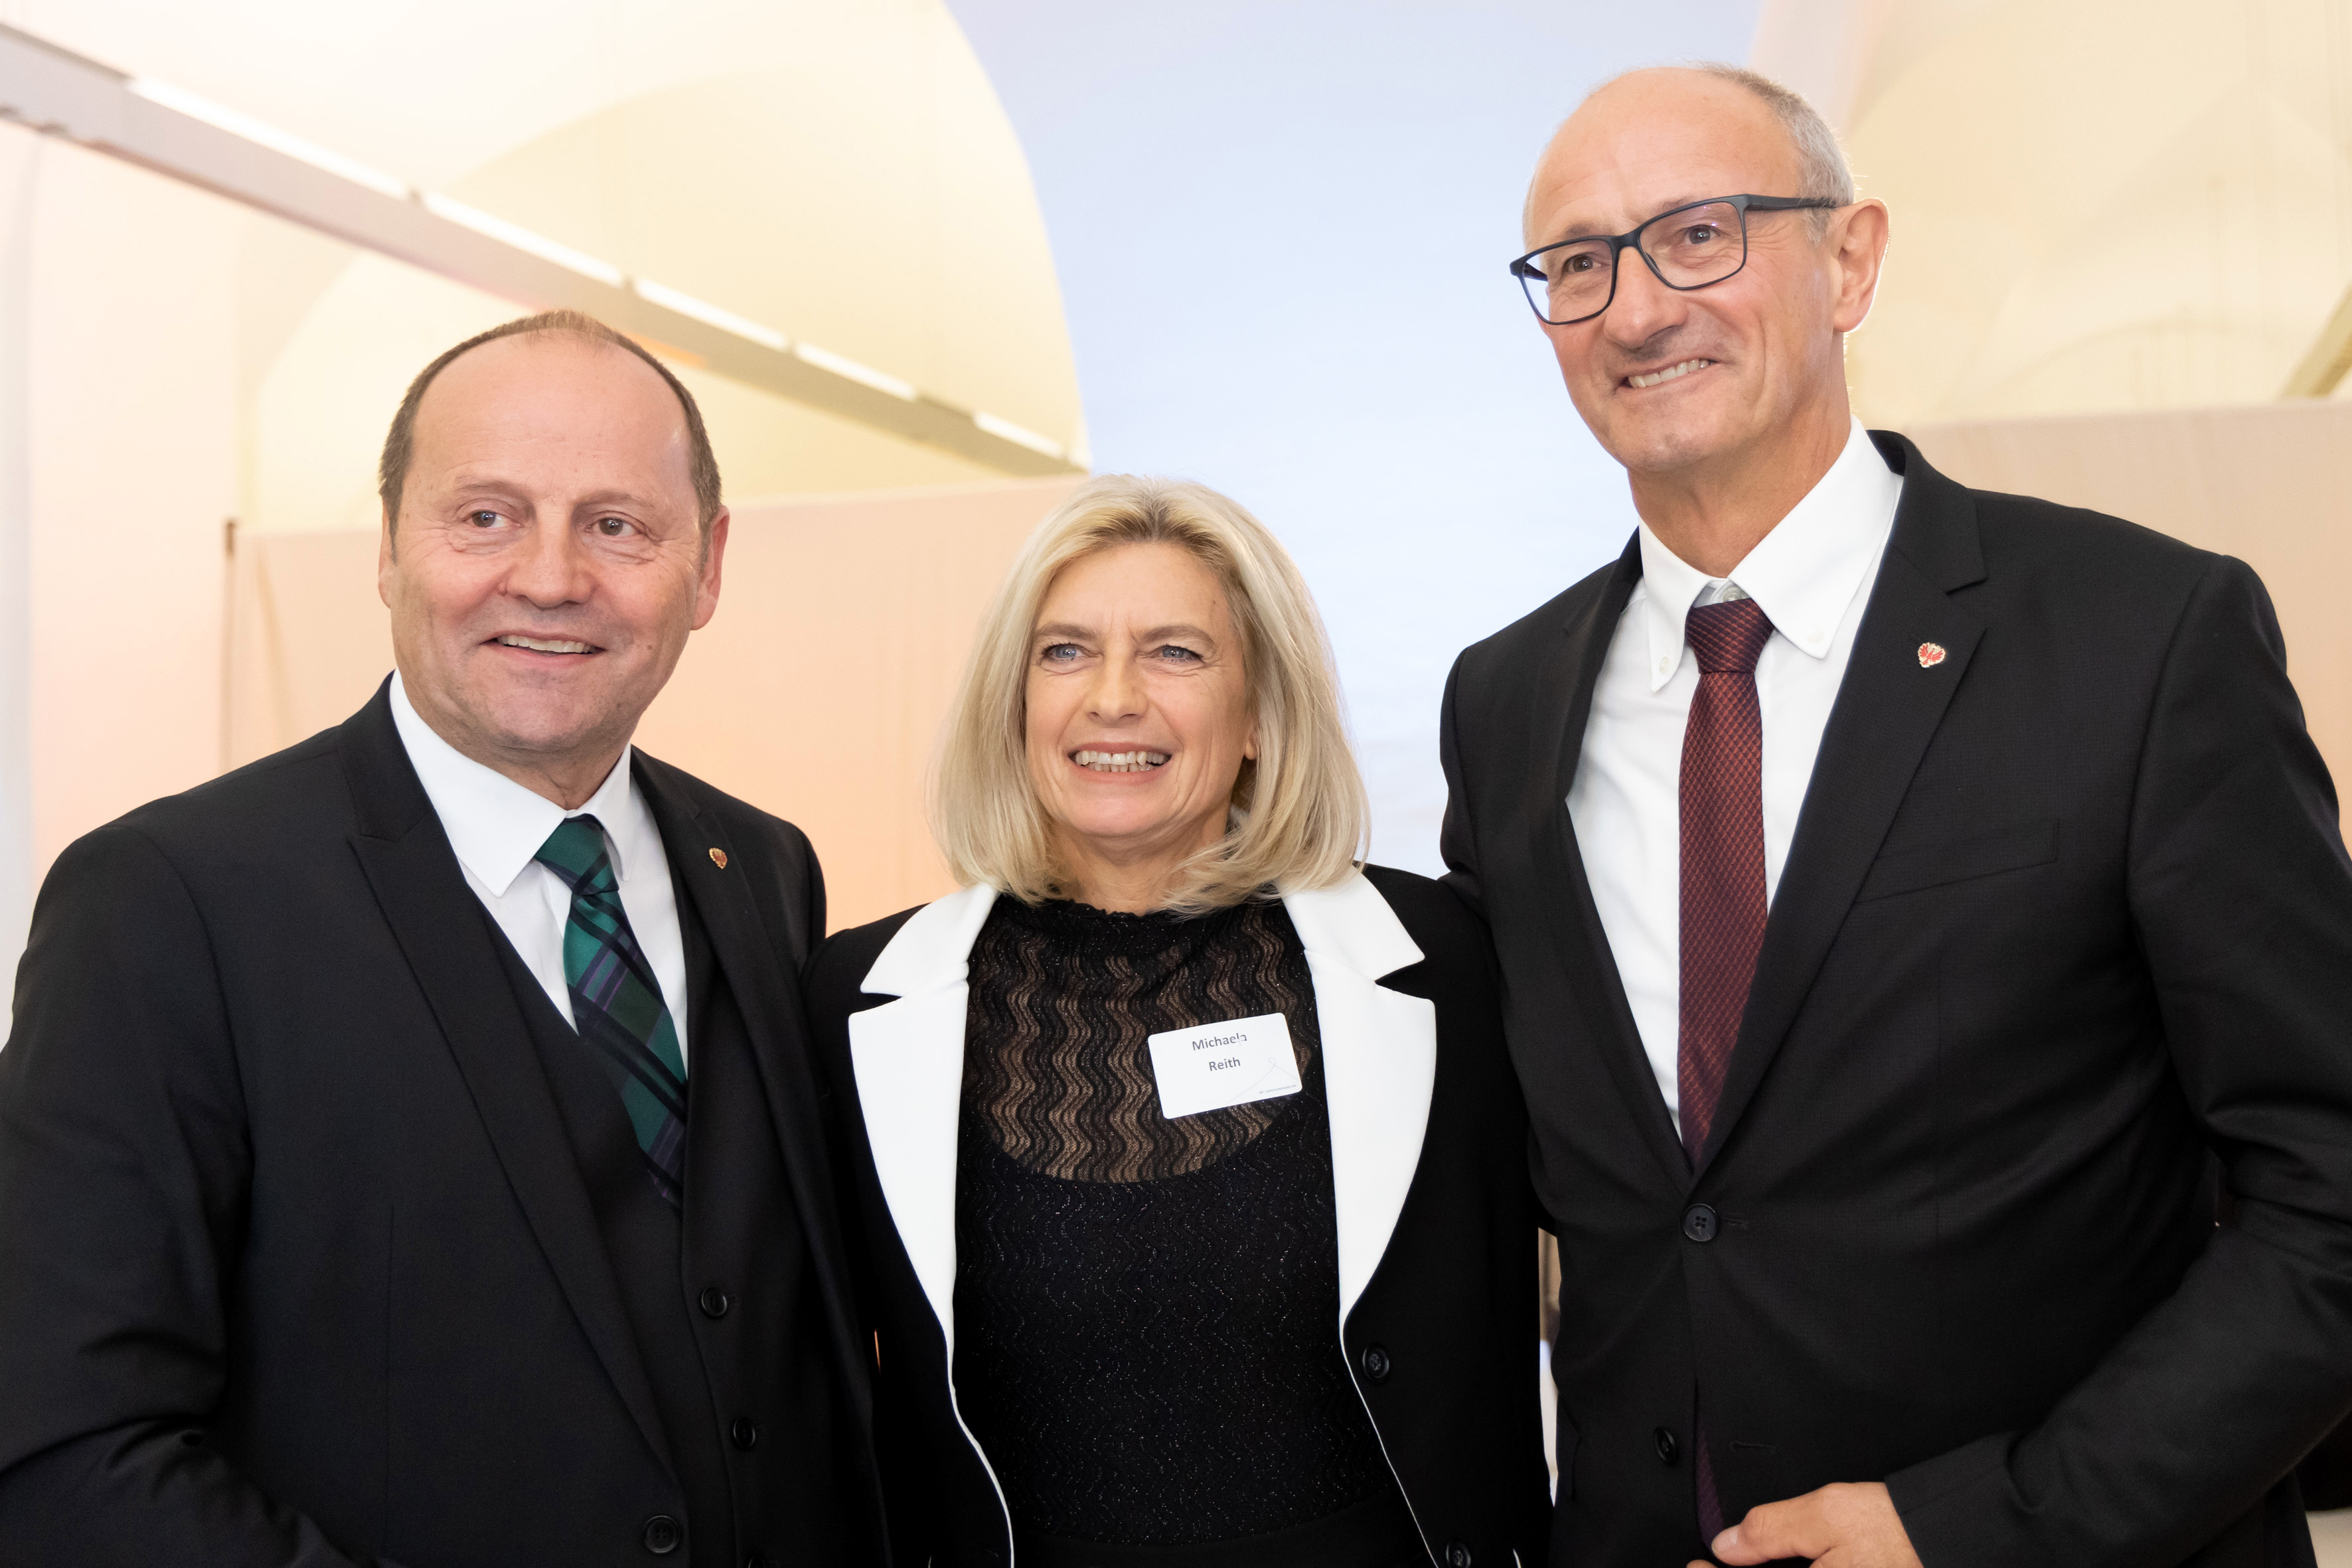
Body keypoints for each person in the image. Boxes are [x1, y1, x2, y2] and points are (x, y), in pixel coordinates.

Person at [1441, 62, 2352, 1568]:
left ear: (1850, 261)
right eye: (1580, 263)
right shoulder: (1506, 702)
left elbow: (2329, 1185)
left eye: (1699, 234)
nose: (1637, 308)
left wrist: (1987, 1525)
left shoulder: (2141, 636)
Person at [0, 310, 884, 1567]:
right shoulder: (165, 904)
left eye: (617, 524)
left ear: (708, 566)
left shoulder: (766, 869)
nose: (550, 577)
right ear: (387, 548)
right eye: (485, 515)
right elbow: (66, 1454)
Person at [806, 477, 1549, 1568]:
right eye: (1065, 652)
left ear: (1258, 717)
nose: (1113, 697)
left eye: (1175, 652)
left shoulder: (1446, 960)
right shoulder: (854, 999)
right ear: (1014, 704)